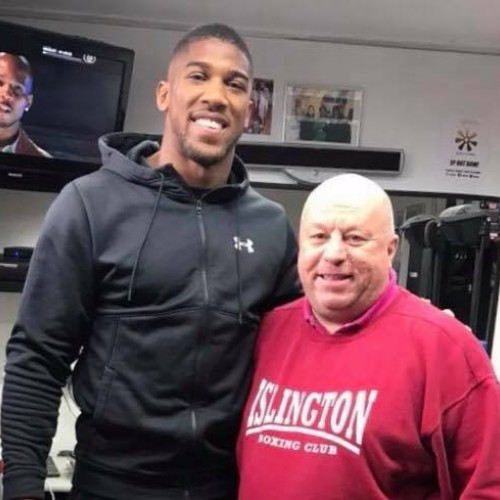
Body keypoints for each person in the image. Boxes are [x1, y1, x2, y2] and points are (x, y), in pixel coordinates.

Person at [1, 24, 301, 500]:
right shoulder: (89, 203)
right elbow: (38, 357)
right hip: (110, 485)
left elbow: (308, 352)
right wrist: (21, 487)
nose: (216, 95)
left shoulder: (270, 227)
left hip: (227, 487)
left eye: (235, 84)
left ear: (249, 109)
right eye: (198, 76)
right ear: (165, 94)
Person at [237, 173, 500, 499]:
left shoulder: (445, 350)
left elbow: (488, 487)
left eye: (355, 238)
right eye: (318, 236)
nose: (333, 253)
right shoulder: (266, 332)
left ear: (390, 249)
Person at [0, 51, 51, 157]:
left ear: (28, 102)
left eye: (17, 89)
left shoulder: (41, 160)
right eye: (0, 83)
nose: (7, 94)